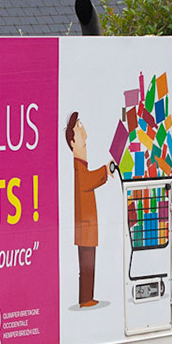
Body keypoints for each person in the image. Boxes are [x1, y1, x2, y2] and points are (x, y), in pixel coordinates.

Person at [66, 111, 108, 309]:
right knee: (87, 265)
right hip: (85, 226)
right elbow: (87, 182)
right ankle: (85, 299)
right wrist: (106, 170)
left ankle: (87, 297)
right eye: (80, 130)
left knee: (88, 265)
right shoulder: (78, 169)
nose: (86, 136)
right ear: (73, 143)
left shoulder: (81, 166)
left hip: (86, 226)